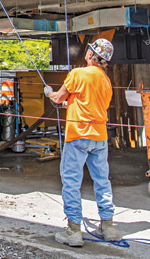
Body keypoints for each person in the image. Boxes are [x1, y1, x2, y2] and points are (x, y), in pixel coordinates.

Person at [46, 38, 116, 246]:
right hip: (99, 137)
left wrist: (49, 92)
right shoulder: (105, 80)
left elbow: (58, 98)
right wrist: (71, 102)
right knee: (102, 182)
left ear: (89, 55)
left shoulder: (77, 74)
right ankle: (108, 226)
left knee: (71, 182)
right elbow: (90, 103)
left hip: (78, 135)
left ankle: (73, 230)